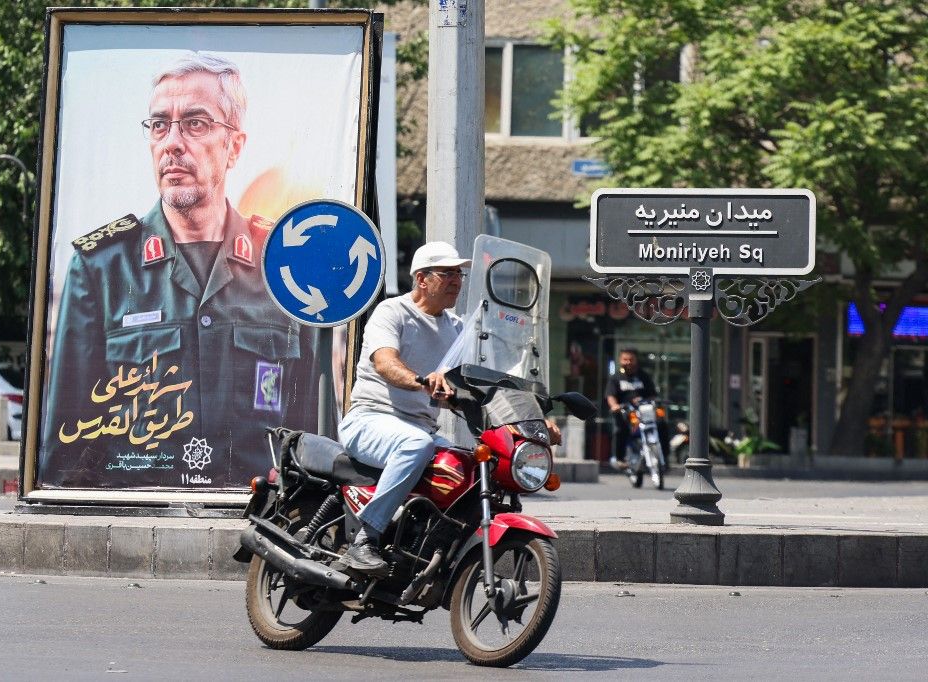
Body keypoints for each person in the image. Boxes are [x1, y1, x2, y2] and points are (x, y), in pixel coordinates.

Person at [39, 52, 318, 489]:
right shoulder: (101, 269)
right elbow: (66, 441)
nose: (172, 142)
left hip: (257, 523)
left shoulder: (284, 267)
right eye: (159, 125)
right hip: (135, 520)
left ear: (234, 146)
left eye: (196, 123)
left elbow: (316, 429)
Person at [337, 241, 561, 575]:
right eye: (448, 273)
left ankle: (432, 547)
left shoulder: (458, 330)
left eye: (459, 274)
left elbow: (499, 377)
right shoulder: (392, 312)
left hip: (419, 428)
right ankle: (366, 539)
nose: (457, 281)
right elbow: (385, 361)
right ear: (422, 279)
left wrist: (538, 419)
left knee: (468, 468)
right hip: (369, 420)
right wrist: (421, 380)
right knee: (417, 444)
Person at [604, 348, 667, 469]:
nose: (628, 362)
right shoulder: (616, 377)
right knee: (620, 431)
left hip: (644, 412)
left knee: (662, 426)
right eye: (625, 359)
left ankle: (663, 458)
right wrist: (614, 406)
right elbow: (610, 395)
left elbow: (652, 394)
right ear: (620, 360)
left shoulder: (644, 376)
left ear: (636, 360)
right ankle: (620, 458)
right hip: (625, 413)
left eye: (631, 359)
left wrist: (653, 401)